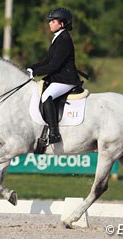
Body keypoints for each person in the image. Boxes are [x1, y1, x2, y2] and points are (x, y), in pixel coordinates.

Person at [27, 7, 82, 144]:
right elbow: (47, 61)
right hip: (58, 78)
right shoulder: (57, 38)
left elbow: (54, 66)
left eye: (53, 21)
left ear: (62, 23)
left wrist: (35, 73)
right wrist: (30, 68)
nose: (50, 23)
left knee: (47, 96)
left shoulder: (64, 40)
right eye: (50, 21)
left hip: (66, 80)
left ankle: (54, 132)